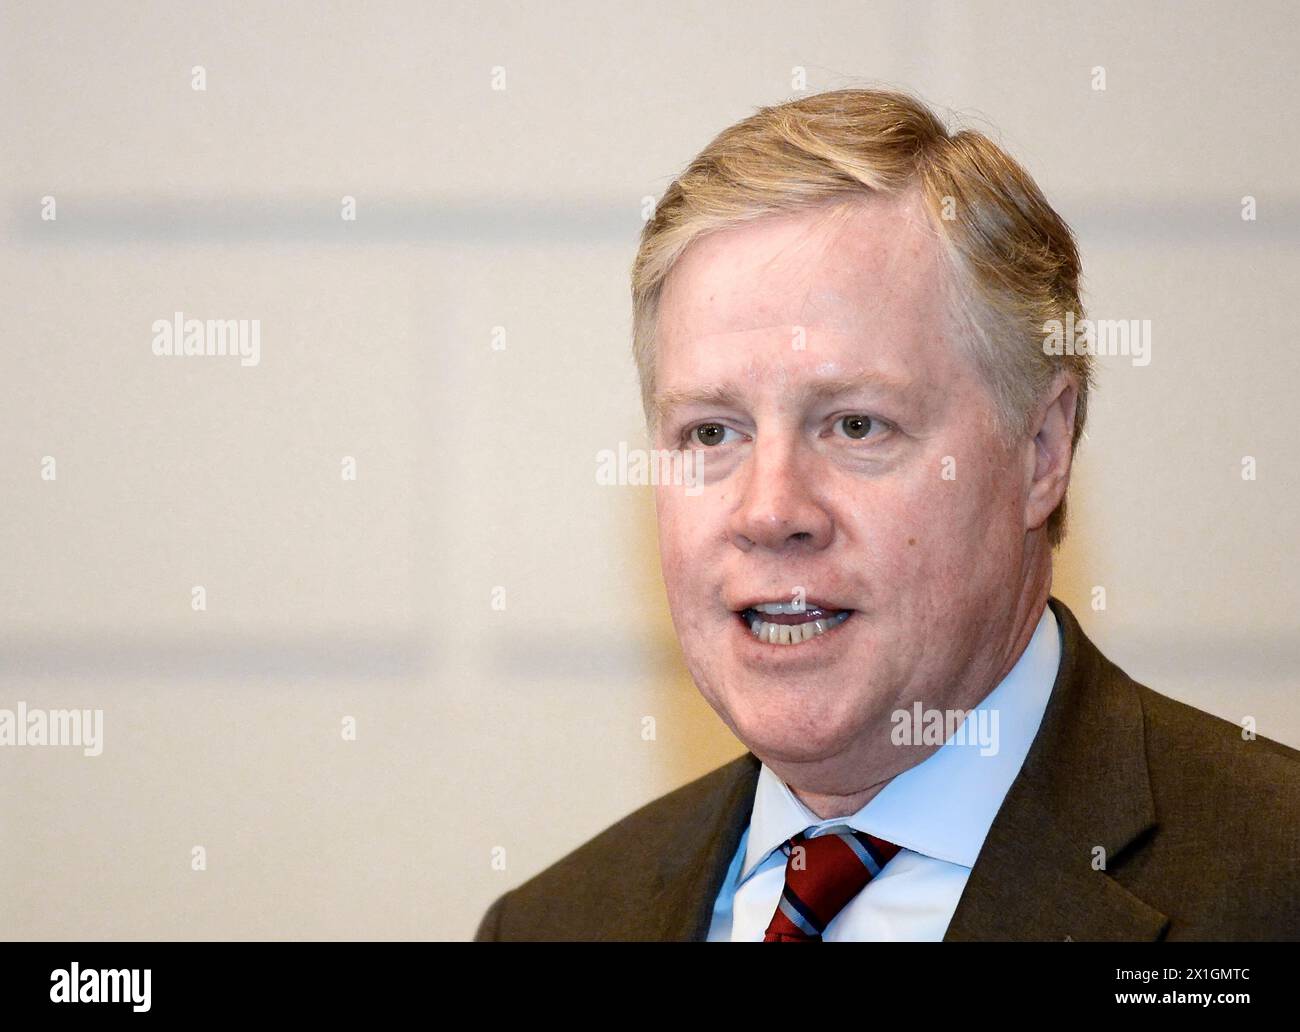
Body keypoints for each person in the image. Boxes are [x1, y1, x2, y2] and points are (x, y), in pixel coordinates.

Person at [474, 88, 1300, 941]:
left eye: (856, 425)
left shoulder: (1273, 882)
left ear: (1042, 450)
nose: (770, 512)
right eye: (712, 431)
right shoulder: (548, 922)